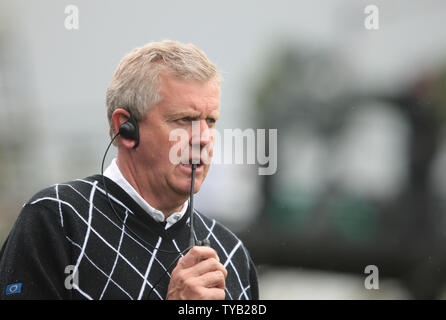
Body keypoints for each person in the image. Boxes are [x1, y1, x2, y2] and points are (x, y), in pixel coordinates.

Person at [0, 40, 259, 300]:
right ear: (127, 129)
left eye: (210, 121)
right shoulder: (56, 219)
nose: (204, 138)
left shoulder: (232, 254)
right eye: (184, 120)